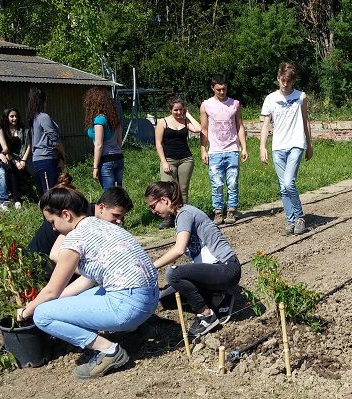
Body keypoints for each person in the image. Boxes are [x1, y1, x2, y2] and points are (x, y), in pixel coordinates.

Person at [15, 177, 158, 379]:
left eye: (52, 222)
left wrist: (25, 312)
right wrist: (57, 304)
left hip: (129, 306)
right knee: (70, 301)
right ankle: (137, 329)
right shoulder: (102, 226)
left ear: (66, 214)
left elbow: (51, 291)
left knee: (42, 316)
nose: (53, 228)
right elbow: (79, 285)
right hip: (149, 300)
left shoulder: (75, 239)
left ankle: (109, 351)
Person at [145, 181, 241, 337]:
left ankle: (206, 315)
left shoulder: (185, 213)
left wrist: (151, 266)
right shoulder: (181, 215)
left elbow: (179, 249)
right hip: (215, 271)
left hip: (226, 268)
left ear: (164, 200)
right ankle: (219, 300)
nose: (153, 211)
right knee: (167, 300)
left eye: (153, 206)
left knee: (173, 274)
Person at [28, 175, 134, 274]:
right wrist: (92, 274)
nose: (119, 221)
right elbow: (55, 255)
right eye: (116, 215)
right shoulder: (81, 218)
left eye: (121, 217)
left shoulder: (92, 217)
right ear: (101, 207)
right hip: (41, 261)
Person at [260, 62, 313, 236]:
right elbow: (266, 124)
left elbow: (306, 120)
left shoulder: (301, 97)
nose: (285, 84)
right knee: (283, 187)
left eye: (289, 81)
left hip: (296, 144)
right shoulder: (270, 99)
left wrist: (309, 145)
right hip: (278, 146)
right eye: (283, 80)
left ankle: (299, 217)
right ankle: (290, 221)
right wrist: (262, 146)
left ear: (293, 81)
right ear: (278, 79)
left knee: (289, 182)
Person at [200, 74, 248, 225]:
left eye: (224, 89)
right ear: (212, 88)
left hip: (232, 149)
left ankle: (232, 210)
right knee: (217, 183)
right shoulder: (206, 105)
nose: (222, 92)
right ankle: (218, 211)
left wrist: (244, 147)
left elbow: (239, 125)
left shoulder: (234, 104)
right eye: (219, 90)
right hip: (215, 150)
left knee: (233, 182)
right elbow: (204, 129)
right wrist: (203, 149)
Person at [154, 94, 201, 229]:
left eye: (181, 110)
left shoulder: (185, 122)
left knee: (183, 190)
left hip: (186, 158)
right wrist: (164, 162)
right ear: (170, 109)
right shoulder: (163, 122)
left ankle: (183, 217)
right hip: (169, 159)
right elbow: (158, 144)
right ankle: (169, 218)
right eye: (176, 110)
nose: (179, 112)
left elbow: (198, 129)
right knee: (167, 191)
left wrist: (189, 115)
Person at [27, 87, 66, 195]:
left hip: (39, 158)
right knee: (51, 191)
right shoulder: (44, 117)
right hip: (46, 158)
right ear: (43, 101)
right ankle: (49, 211)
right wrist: (63, 155)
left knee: (47, 190)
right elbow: (55, 140)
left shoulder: (34, 118)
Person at [84, 87, 124, 191]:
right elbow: (119, 142)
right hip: (118, 157)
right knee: (118, 193)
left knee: (109, 195)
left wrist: (95, 167)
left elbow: (99, 145)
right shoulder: (115, 119)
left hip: (106, 160)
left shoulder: (99, 120)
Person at [0, 107, 30, 208]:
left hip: (23, 157)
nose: (14, 118)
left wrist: (23, 161)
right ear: (6, 117)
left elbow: (29, 146)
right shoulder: (3, 131)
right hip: (10, 157)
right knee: (11, 171)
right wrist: (15, 162)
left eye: (16, 116)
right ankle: (17, 200)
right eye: (11, 116)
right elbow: (6, 149)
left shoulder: (23, 129)